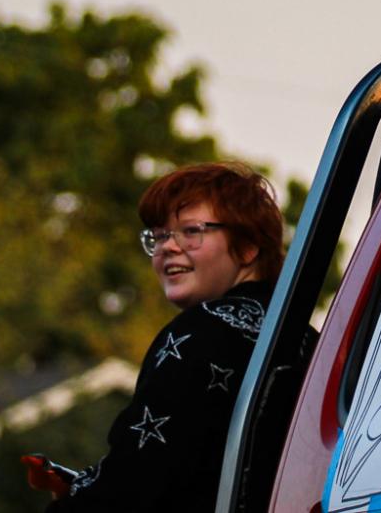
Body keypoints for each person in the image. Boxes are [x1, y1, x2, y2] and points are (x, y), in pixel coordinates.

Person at [36, 162, 286, 509]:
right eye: (159, 236)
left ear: (247, 246)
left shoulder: (201, 332)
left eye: (191, 231)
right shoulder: (308, 341)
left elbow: (139, 479)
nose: (167, 247)